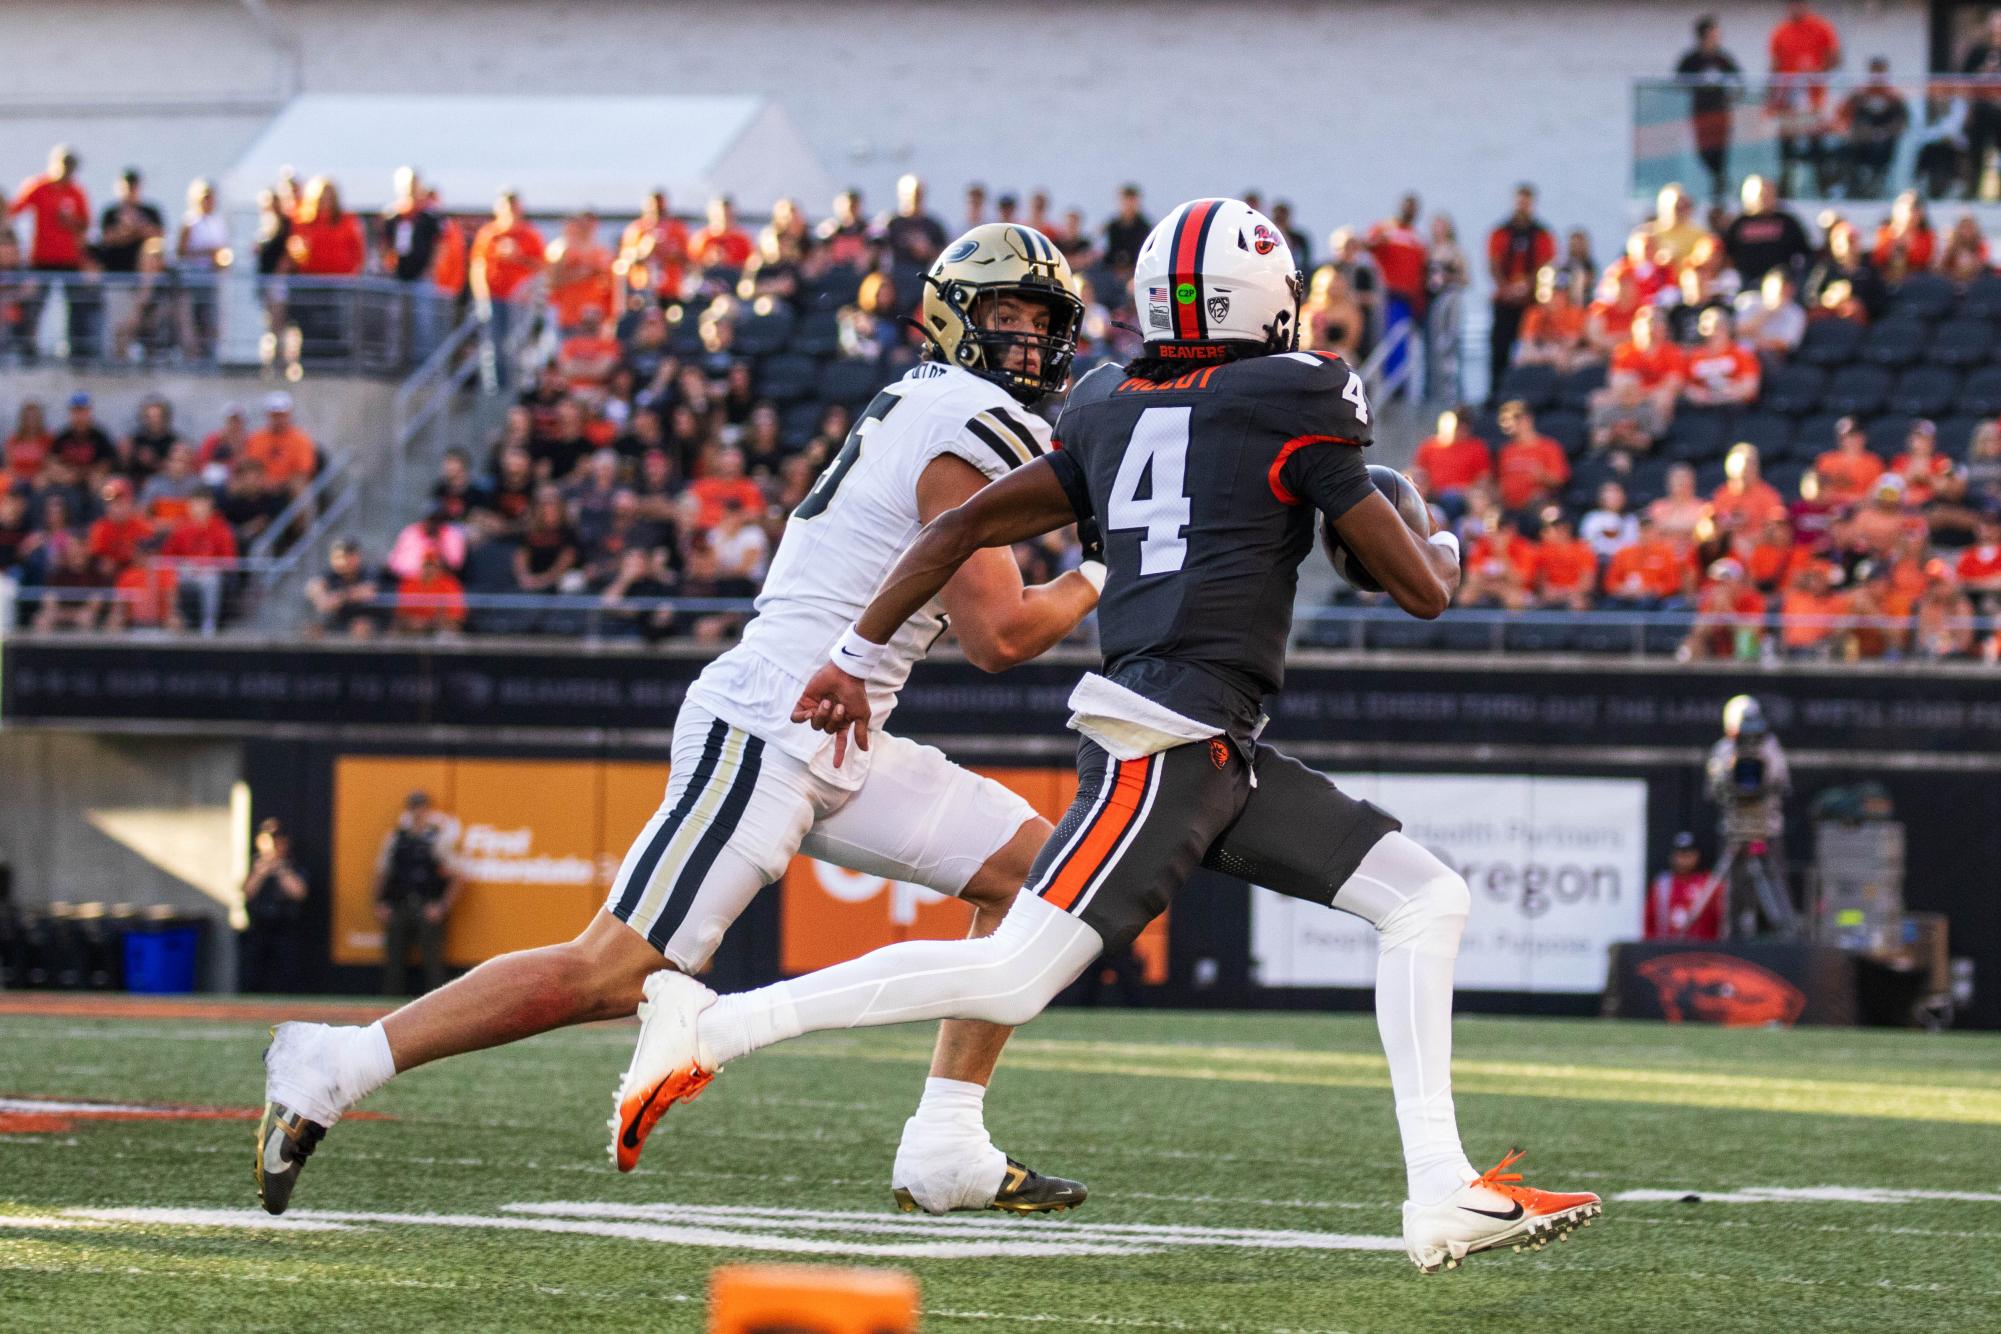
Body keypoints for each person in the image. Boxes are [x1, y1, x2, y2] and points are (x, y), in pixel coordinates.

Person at [620, 197, 1600, 1274]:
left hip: (1217, 743)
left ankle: (1441, 1191)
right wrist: (1440, 533)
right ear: (1267, 296)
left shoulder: (1101, 402)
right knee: (1012, 976)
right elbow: (1422, 591)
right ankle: (711, 1026)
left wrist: (855, 656)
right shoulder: (1302, 394)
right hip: (1166, 739)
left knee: (1424, 895)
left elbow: (955, 528)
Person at [257, 222, 1105, 1222]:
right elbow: (1000, 632)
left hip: (839, 731)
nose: (1025, 339)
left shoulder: (938, 403)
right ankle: (333, 1060)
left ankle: (947, 1143)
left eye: (1041, 320)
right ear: (952, 319)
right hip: (776, 721)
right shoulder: (970, 413)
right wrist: (1103, 569)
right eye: (1004, 314)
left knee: (1039, 874)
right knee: (611, 971)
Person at [372, 792, 462, 996]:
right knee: (394, 963)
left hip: (426, 904)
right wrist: (379, 902)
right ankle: (388, 1011)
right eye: (414, 808)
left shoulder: (437, 839)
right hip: (399, 904)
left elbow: (457, 876)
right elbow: (382, 873)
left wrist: (442, 906)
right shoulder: (396, 838)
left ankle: (439, 1008)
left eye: (422, 808)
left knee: (432, 964)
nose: (418, 812)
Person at [1767, 0, 1842, 198]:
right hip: (1789, 99)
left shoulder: (1821, 28)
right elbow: (1774, 66)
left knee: (1817, 144)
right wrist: (1773, 99)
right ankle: (1785, 191)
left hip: (1813, 98)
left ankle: (1823, 189)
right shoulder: (1780, 32)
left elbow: (1835, 58)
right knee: (1787, 145)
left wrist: (1816, 71)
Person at [1486, 185, 1555, 395]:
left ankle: (1527, 393)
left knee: (1530, 349)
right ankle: (1497, 392)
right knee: (1499, 349)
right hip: (1505, 301)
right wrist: (1507, 289)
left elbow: (1546, 264)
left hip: (1531, 303)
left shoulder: (1542, 234)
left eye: (1526, 202)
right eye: (1519, 201)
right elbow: (1493, 263)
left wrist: (1527, 285)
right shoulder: (1500, 232)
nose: (1522, 206)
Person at [1676, 17, 1743, 202]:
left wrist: (1732, 96)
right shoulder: (1692, 59)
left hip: (1720, 112)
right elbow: (1678, 79)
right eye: (1714, 33)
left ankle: (1719, 186)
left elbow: (1739, 78)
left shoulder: (1722, 59)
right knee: (1704, 150)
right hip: (1701, 112)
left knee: (1721, 150)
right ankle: (1716, 182)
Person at [240, 818, 310, 992]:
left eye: (276, 840)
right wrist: (260, 872)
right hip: (259, 926)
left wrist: (281, 870)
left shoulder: (292, 865)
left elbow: (299, 893)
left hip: (285, 927)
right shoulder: (255, 864)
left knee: (288, 974)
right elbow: (246, 892)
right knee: (253, 973)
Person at [1646, 832, 1722, 940]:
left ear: (1697, 856)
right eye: (1680, 855)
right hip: (1667, 949)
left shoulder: (1710, 884)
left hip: (1703, 951)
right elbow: (1649, 921)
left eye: (1688, 855)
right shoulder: (1662, 884)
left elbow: (1720, 920)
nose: (1683, 860)